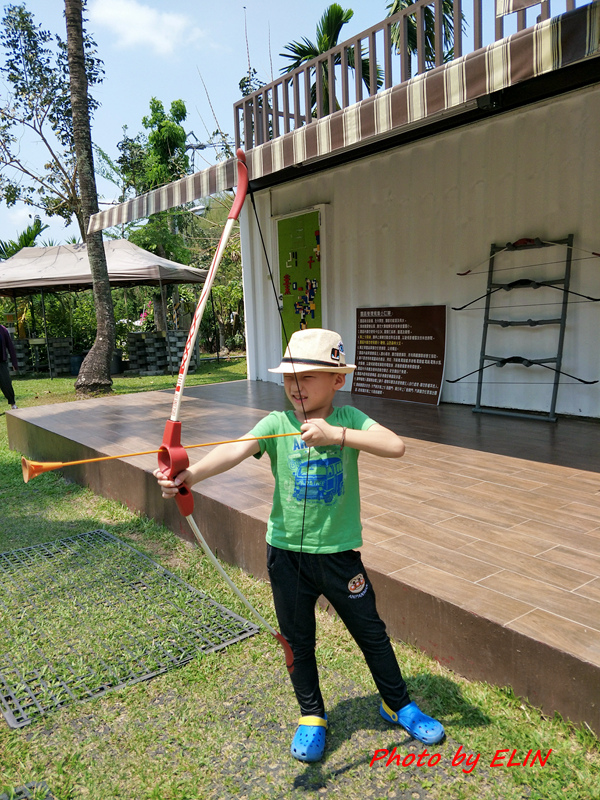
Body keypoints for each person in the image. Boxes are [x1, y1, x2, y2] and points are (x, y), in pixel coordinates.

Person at [154, 328, 444, 761]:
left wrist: (336, 436)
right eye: (290, 376)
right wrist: (188, 475)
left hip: (340, 556)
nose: (295, 386)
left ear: (337, 381)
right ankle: (311, 715)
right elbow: (234, 450)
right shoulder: (276, 424)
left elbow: (395, 446)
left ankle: (397, 702)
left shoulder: (349, 422)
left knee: (372, 634)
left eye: (307, 377)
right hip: (286, 556)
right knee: (297, 638)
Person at [0, 324, 18, 410]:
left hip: (1, 363)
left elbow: (10, 347)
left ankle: (12, 403)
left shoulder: (3, 330)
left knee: (6, 383)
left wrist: (14, 363)